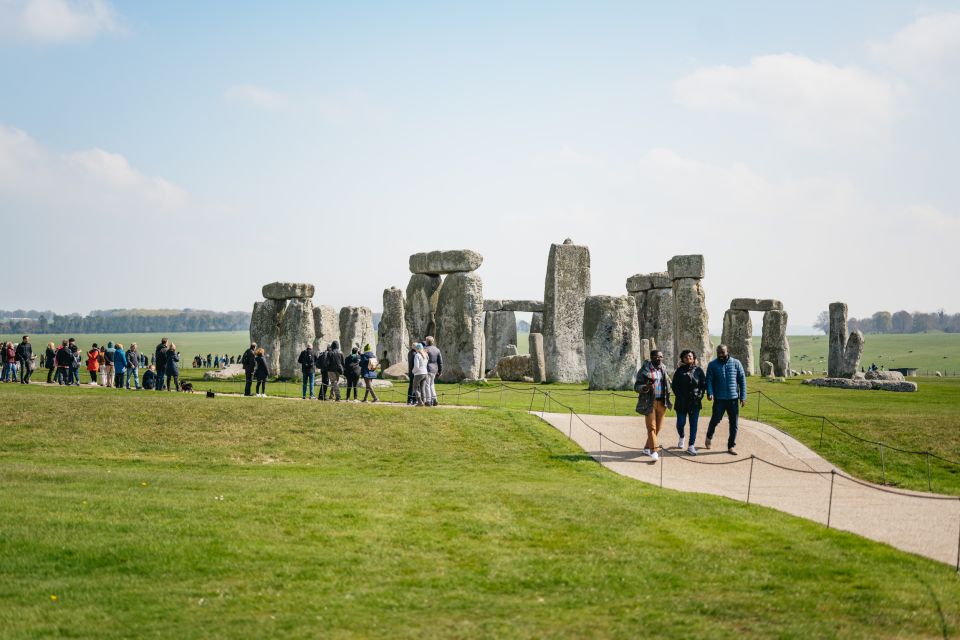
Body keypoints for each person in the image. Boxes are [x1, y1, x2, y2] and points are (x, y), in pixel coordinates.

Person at [705, 344, 747, 455]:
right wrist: (710, 393)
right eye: (718, 352)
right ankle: (709, 436)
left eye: (722, 352)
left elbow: (742, 381)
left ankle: (731, 446)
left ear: (727, 351)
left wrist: (743, 396)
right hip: (719, 399)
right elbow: (708, 380)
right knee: (715, 420)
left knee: (734, 423)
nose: (720, 354)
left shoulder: (736, 363)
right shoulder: (712, 365)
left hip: (733, 399)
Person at [634, 349, 672, 462]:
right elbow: (636, 386)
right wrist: (645, 387)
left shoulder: (663, 368)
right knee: (651, 427)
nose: (659, 358)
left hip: (662, 402)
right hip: (649, 401)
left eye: (661, 357)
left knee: (658, 428)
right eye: (656, 357)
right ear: (651, 357)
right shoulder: (644, 370)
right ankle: (654, 451)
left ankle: (647, 447)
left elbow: (667, 383)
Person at [671, 350, 707, 456]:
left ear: (694, 358)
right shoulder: (679, 371)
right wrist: (679, 396)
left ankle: (691, 445)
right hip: (681, 402)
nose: (688, 358)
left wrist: (699, 396)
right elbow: (674, 386)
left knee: (693, 424)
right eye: (686, 357)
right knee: (681, 423)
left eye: (690, 356)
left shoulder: (699, 371)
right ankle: (682, 436)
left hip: (695, 402)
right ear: (682, 359)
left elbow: (703, 385)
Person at [424, 336, 442, 407]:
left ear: (426, 341)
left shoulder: (425, 349)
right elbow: (440, 362)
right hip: (434, 369)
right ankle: (434, 399)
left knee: (427, 385)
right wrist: (440, 371)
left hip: (427, 369)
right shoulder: (437, 350)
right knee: (432, 385)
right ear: (433, 341)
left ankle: (428, 401)